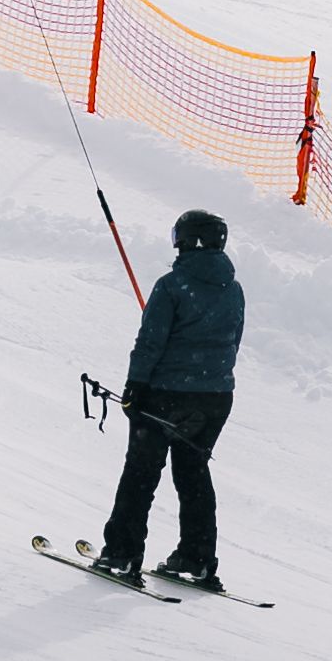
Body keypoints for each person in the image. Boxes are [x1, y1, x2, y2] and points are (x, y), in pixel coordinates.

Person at [97, 208, 244, 588]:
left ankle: (121, 554)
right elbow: (233, 342)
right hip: (215, 397)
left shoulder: (171, 285)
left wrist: (135, 385)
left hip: (166, 395)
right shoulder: (233, 288)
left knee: (141, 473)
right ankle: (196, 558)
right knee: (193, 473)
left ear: (187, 240)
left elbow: (150, 342)